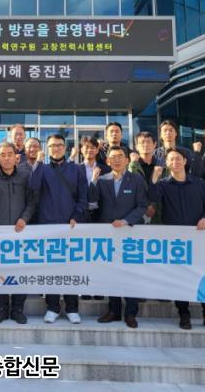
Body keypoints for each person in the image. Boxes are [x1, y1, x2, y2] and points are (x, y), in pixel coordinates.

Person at [149, 148, 205, 331]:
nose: (175, 162)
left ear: (185, 161)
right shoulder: (163, 184)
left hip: (199, 238)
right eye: (171, 159)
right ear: (167, 163)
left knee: (204, 277)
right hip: (176, 241)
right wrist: (154, 178)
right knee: (180, 277)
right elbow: (152, 199)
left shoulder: (199, 183)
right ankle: (183, 314)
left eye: (178, 159)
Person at [28, 133, 87, 324]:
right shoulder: (42, 168)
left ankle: (72, 308)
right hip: (48, 225)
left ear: (65, 147)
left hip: (71, 225)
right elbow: (33, 186)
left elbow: (83, 197)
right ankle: (52, 307)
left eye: (60, 145)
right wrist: (38, 163)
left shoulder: (76, 169)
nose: (56, 148)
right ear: (47, 149)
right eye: (52, 145)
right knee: (51, 268)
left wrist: (76, 216)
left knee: (71, 267)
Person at [90, 146, 148, 328]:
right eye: (113, 157)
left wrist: (125, 221)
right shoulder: (102, 180)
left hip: (130, 233)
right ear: (108, 161)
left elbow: (142, 205)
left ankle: (130, 313)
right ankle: (113, 311)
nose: (116, 160)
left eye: (120, 156)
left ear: (126, 160)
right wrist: (93, 180)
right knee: (111, 273)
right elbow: (92, 202)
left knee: (130, 273)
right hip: (108, 235)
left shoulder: (136, 179)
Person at [0, 142, 38, 324]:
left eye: (9, 154)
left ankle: (18, 308)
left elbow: (32, 201)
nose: (6, 158)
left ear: (16, 157)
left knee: (21, 270)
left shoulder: (25, 175)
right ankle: (1, 307)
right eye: (2, 155)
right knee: (0, 271)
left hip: (21, 231)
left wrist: (24, 218)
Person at [128, 131, 160, 224]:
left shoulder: (162, 165)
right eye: (142, 142)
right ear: (136, 146)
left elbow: (164, 188)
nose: (145, 145)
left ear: (154, 145)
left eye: (148, 142)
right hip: (136, 212)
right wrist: (133, 164)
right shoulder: (130, 165)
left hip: (158, 214)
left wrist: (153, 206)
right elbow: (129, 185)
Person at [76, 136, 109, 222]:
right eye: (87, 147)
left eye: (93, 147)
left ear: (97, 150)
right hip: (80, 213)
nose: (90, 150)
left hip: (101, 213)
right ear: (81, 150)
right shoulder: (76, 169)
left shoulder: (106, 169)